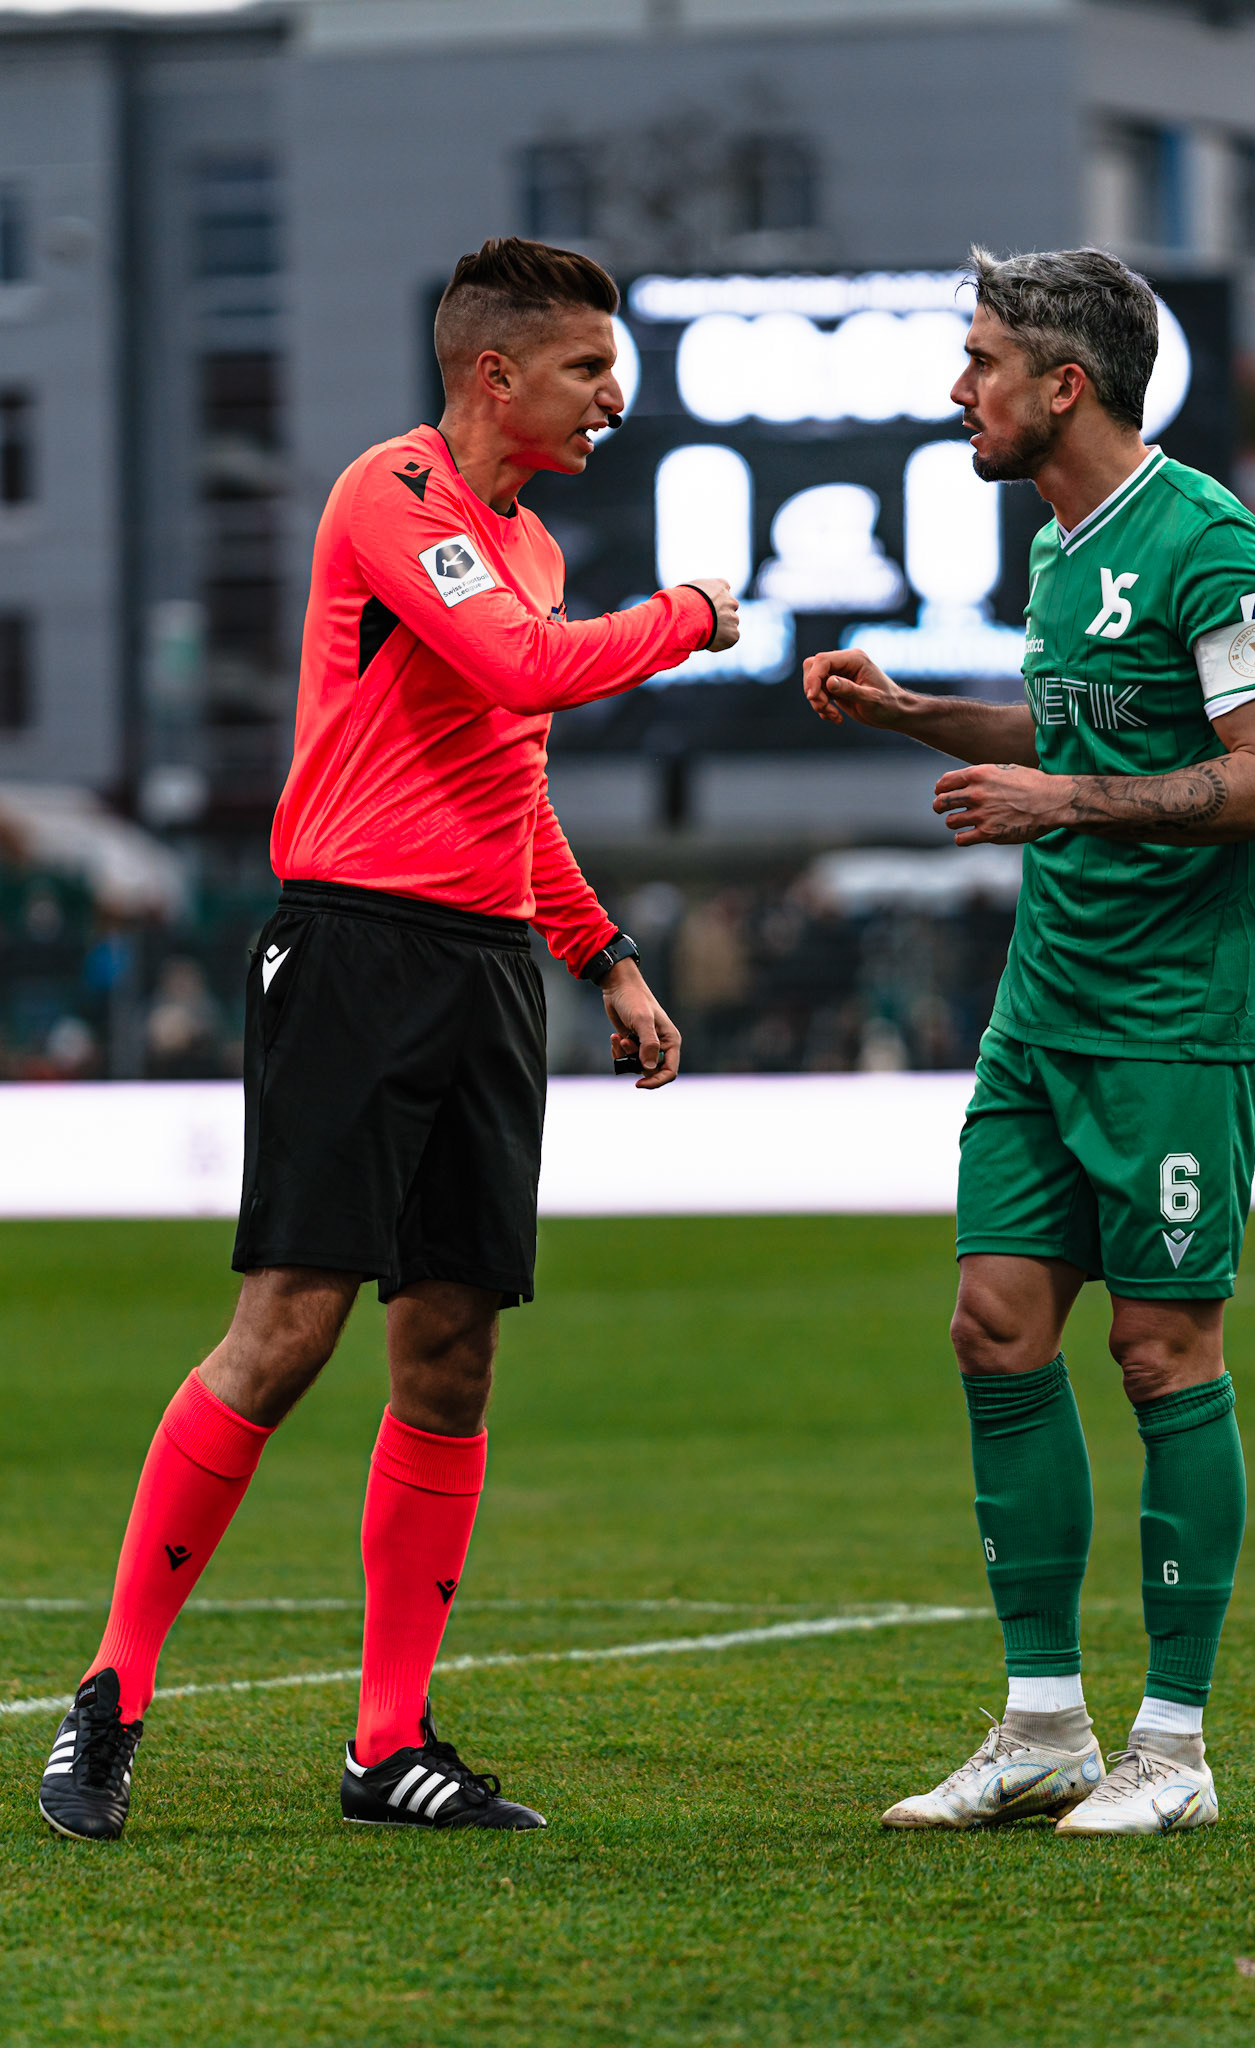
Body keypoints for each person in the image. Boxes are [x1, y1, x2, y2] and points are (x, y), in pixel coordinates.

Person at [40, 237, 739, 1843]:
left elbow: (514, 772)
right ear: (495, 373)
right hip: (351, 948)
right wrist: (686, 614)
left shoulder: (532, 548)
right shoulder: (393, 497)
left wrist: (606, 956)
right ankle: (112, 1696)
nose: (611, 395)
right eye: (585, 368)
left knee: (451, 1349)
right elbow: (516, 666)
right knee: (286, 1329)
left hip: (489, 968)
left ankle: (387, 1743)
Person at [804, 247, 1255, 1836]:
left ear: (1060, 384)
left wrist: (1058, 805)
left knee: (1162, 1353)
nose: (958, 391)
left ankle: (1173, 1748)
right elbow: (1082, 715)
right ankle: (1040, 1727)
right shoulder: (1058, 547)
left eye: (976, 363)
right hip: (1046, 1011)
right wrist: (923, 721)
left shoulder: (1207, 540)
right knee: (990, 1327)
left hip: (1174, 1022)